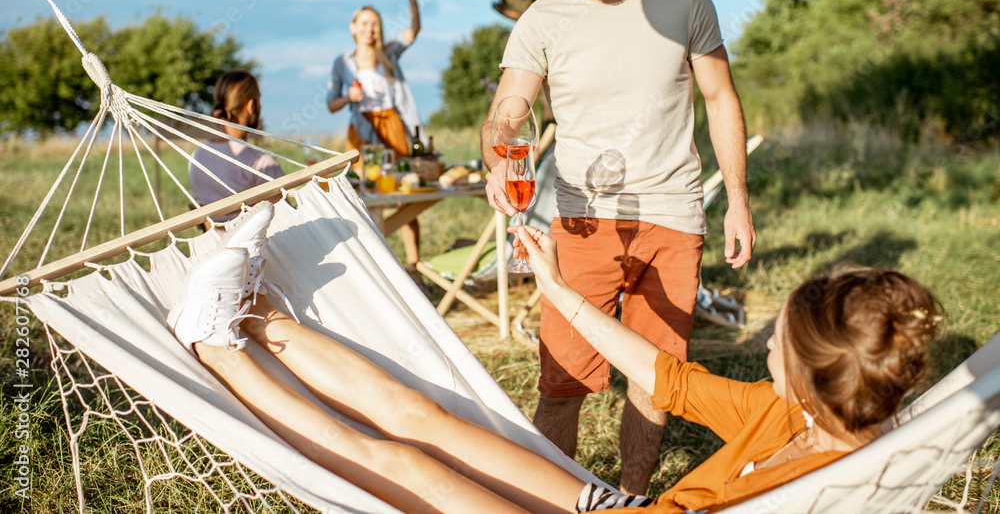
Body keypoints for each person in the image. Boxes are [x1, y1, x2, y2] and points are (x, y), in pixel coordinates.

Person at [167, 204, 942, 514]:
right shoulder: (794, 410)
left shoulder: (838, 489)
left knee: (406, 463)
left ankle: (212, 342)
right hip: (621, 511)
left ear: (807, 369)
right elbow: (665, 374)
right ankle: (256, 313)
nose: (765, 336)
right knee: (424, 415)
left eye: (777, 337)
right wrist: (561, 291)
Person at [479, 0, 756, 493]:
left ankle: (632, 498)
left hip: (673, 214)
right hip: (579, 220)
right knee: (561, 381)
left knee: (656, 375)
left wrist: (737, 199)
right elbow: (508, 111)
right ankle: (550, 500)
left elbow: (720, 98)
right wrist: (499, 154)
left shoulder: (685, 1)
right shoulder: (541, 20)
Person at [327, 0, 424, 272]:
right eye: (364, 23)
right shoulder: (343, 62)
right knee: (361, 198)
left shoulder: (389, 54)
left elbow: (414, 29)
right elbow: (331, 104)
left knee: (402, 197)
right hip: (361, 132)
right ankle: (372, 269)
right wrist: (347, 97)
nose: (370, 29)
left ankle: (412, 267)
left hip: (392, 127)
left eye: (375, 24)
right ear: (353, 27)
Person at [189, 71, 284, 221]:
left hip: (209, 244)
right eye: (258, 100)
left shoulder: (196, 157)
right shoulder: (262, 163)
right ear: (251, 105)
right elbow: (286, 219)